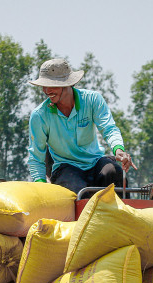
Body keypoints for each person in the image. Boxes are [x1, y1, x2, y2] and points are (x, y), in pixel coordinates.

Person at [27, 58, 137, 195]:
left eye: (52, 85)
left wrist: (118, 149)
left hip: (95, 161)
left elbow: (109, 128)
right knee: (78, 190)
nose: (47, 90)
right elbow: (35, 158)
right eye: (44, 86)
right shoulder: (40, 116)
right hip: (65, 167)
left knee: (113, 172)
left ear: (68, 84)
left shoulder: (92, 100)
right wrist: (40, 185)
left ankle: (122, 214)